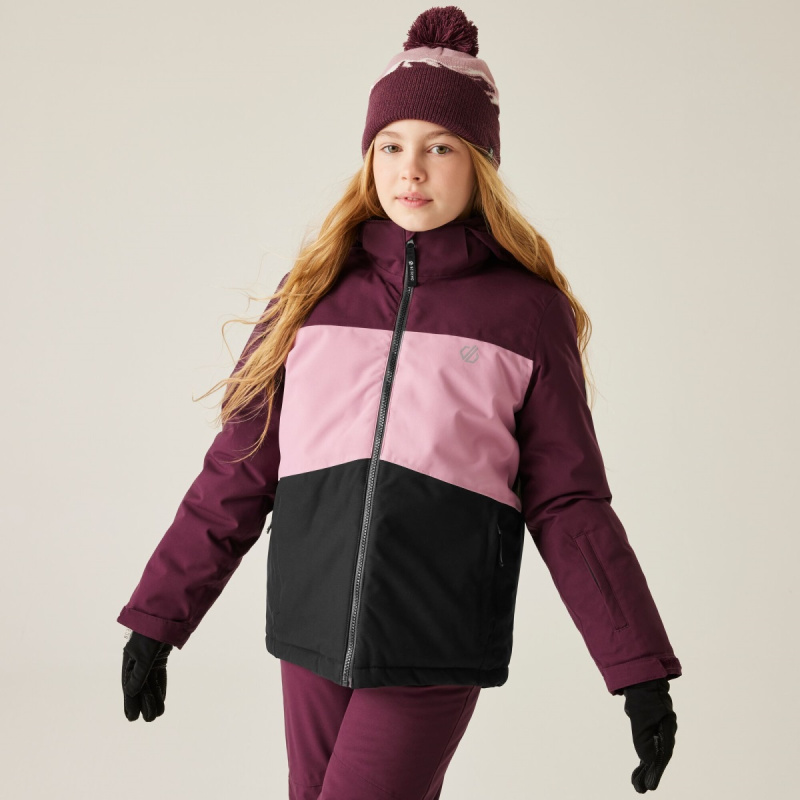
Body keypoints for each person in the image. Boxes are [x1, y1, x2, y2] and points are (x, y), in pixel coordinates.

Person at [118, 6, 682, 798]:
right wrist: (157, 619)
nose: (410, 170)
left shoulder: (526, 314)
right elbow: (238, 469)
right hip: (310, 630)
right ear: (369, 158)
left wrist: (637, 668)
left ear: (480, 164)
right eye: (391, 145)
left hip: (434, 638)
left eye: (439, 147)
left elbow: (569, 502)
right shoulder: (312, 294)